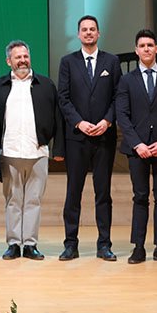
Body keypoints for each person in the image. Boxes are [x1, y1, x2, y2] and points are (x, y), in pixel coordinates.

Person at [0, 40, 64, 261]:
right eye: (17, 57)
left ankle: (30, 244)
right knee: (13, 200)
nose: (22, 60)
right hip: (9, 152)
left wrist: (58, 148)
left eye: (25, 56)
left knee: (33, 200)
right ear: (8, 61)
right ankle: (13, 243)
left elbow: (58, 118)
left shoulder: (46, 85)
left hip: (37, 152)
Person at [115, 29, 157, 264]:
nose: (146, 49)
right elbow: (122, 115)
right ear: (136, 50)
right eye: (142, 45)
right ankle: (138, 247)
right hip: (138, 149)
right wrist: (137, 144)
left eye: (150, 45)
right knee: (140, 196)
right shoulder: (126, 80)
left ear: (156, 49)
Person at [56, 15, 120, 261]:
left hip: (104, 137)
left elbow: (118, 96)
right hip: (77, 138)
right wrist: (79, 122)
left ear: (98, 33)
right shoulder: (67, 62)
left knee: (103, 193)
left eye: (92, 29)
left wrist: (107, 121)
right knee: (74, 192)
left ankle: (104, 244)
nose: (89, 33)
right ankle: (70, 244)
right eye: (84, 29)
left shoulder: (111, 61)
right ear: (78, 34)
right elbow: (63, 98)